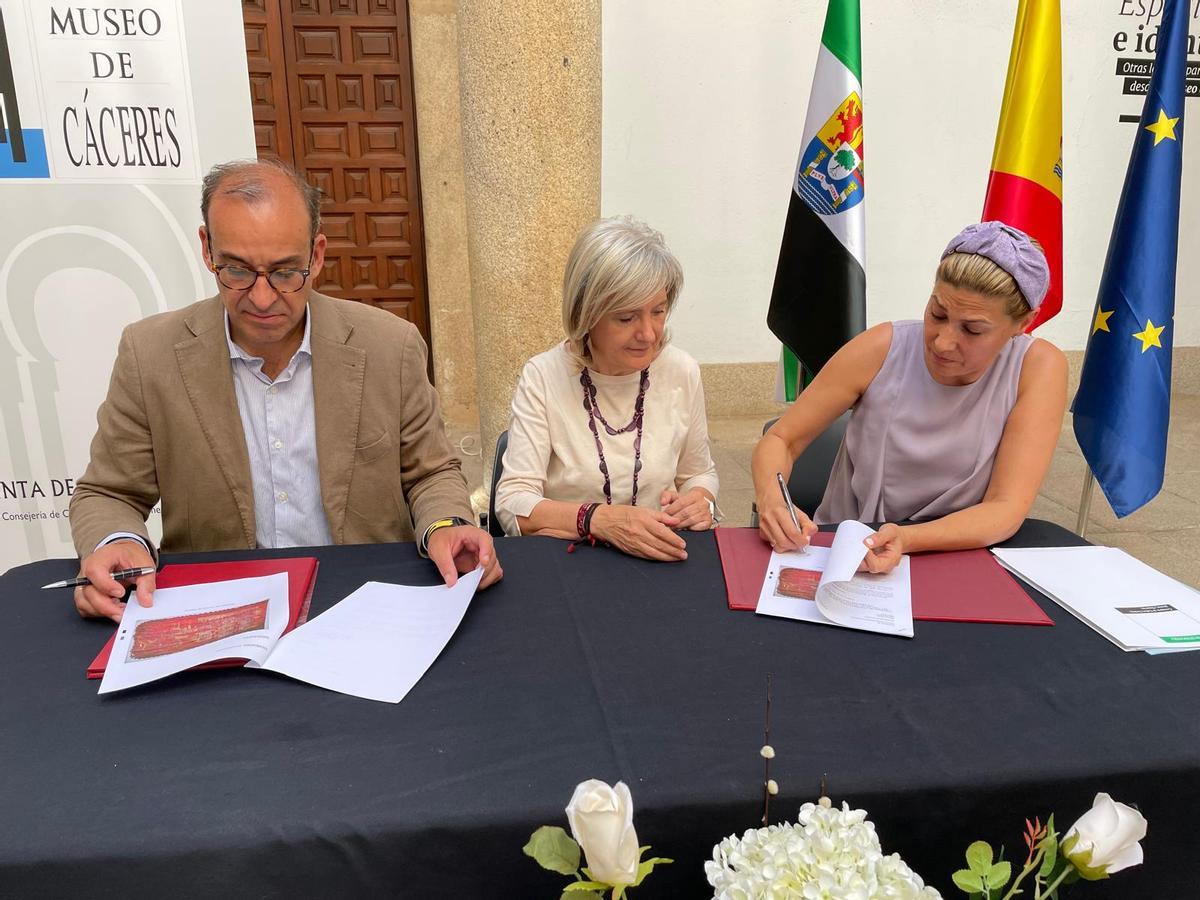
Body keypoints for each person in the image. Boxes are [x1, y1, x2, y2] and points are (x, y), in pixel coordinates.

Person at [70, 158, 501, 622]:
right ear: (206, 248)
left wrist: (446, 525)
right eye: (235, 270)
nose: (261, 297)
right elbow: (109, 493)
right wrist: (118, 543)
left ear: (316, 255)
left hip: (365, 603)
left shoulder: (389, 346)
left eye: (284, 272)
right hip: (221, 610)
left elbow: (430, 473)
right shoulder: (150, 353)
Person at [752, 221, 1068, 574]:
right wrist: (771, 499)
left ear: (1023, 324)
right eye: (938, 313)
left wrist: (907, 539)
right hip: (846, 554)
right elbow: (781, 438)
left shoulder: (1038, 367)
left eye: (973, 329)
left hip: (957, 556)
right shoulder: (881, 348)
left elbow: (1005, 508)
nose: (943, 342)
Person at [493, 216, 719, 561]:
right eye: (626, 318)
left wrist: (701, 500)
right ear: (586, 315)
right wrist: (597, 519)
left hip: (663, 556)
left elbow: (699, 473)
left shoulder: (680, 371)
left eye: (658, 312)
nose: (648, 333)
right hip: (573, 559)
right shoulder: (544, 375)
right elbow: (513, 501)